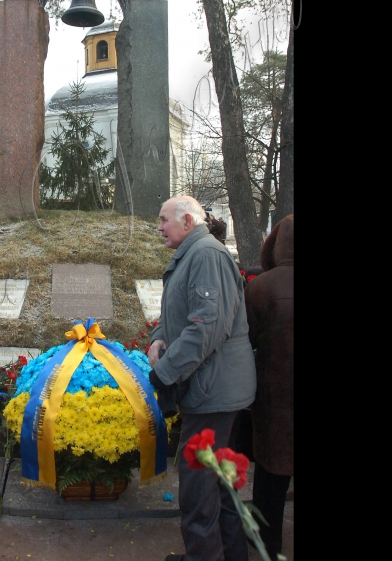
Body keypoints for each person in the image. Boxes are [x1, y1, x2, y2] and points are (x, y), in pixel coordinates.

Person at [148, 195, 256, 561]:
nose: (159, 227)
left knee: (198, 491)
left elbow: (206, 327)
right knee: (218, 487)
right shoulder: (194, 255)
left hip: (214, 395)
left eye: (164, 220)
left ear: (188, 221)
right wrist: (158, 338)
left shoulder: (207, 255)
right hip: (213, 391)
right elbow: (177, 315)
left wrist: (164, 372)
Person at [244, 214, 294, 560]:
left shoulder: (261, 287)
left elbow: (245, 340)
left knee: (270, 479)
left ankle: (267, 544)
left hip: (276, 399)